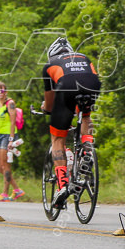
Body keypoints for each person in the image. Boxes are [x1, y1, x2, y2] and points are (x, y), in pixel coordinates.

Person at [40, 38, 101, 206]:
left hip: (66, 87)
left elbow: (50, 103)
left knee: (58, 138)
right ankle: (87, 151)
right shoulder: (84, 57)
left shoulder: (49, 65)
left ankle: (62, 185)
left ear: (51, 54)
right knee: (86, 116)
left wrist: (46, 108)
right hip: (92, 85)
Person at [0, 82, 24, 201]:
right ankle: (17, 189)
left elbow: (13, 122)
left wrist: (11, 139)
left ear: (6, 92)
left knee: (5, 165)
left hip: (8, 136)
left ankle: (4, 194)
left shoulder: (11, 103)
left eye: (2, 91)